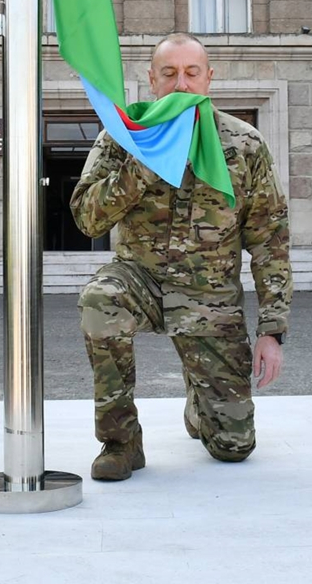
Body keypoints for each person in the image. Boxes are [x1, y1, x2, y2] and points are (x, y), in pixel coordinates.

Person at [70, 33, 293, 481]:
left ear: (209, 78)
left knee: (233, 447)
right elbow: (88, 219)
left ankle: (200, 403)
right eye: (169, 73)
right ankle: (121, 442)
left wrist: (272, 330)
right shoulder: (123, 137)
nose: (181, 84)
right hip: (140, 281)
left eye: (192, 73)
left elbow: (269, 240)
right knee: (99, 299)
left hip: (210, 298)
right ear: (152, 80)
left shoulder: (243, 144)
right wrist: (143, 164)